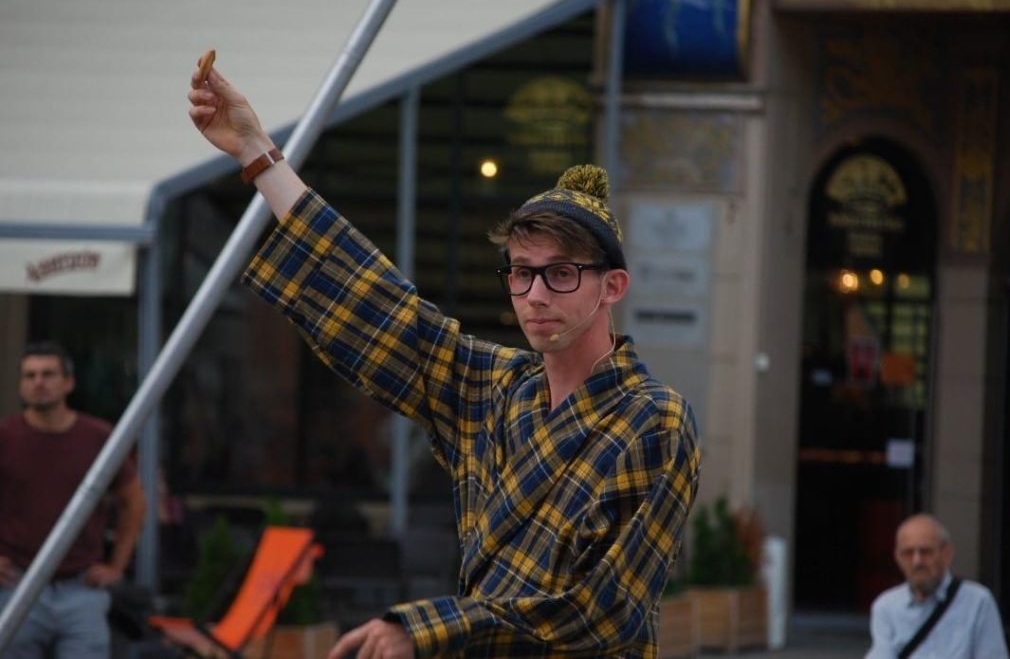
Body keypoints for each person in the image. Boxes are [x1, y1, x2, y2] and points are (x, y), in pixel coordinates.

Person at [188, 62, 701, 659]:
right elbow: (378, 305)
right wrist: (257, 153)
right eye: (521, 273)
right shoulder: (499, 388)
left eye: (561, 274)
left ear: (612, 287)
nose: (534, 295)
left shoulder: (656, 419)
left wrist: (427, 629)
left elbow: (605, 609)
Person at [0, 341, 147, 659]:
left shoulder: (97, 437)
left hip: (82, 586)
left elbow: (134, 502)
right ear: (22, 385)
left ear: (69, 382)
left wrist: (116, 566)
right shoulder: (5, 437)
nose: (39, 382)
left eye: (48, 374)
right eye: (30, 375)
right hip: (16, 583)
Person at [866, 513, 1009, 659]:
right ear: (897, 557)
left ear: (947, 554)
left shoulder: (978, 602)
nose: (917, 561)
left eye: (925, 552)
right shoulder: (886, 606)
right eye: (908, 553)